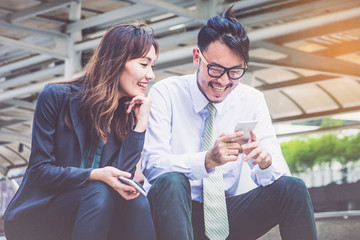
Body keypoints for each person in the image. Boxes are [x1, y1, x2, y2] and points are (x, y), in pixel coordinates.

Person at [142, 6, 317, 240]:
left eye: (235, 72)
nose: (223, 81)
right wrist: (207, 160)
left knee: (292, 188)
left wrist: (265, 163)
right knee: (173, 181)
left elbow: (277, 176)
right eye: (215, 69)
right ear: (197, 57)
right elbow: (153, 166)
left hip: (226, 215)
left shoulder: (252, 99)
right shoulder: (166, 93)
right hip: (173, 212)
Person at [4, 24, 158, 240]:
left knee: (136, 200)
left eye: (152, 65)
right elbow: (40, 171)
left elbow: (123, 179)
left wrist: (140, 125)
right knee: (99, 191)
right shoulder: (56, 96)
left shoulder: (127, 113)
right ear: (117, 61)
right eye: (144, 64)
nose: (150, 74)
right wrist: (95, 175)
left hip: (96, 212)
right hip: (42, 213)